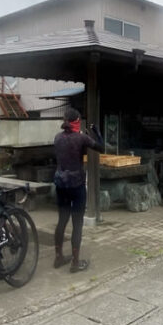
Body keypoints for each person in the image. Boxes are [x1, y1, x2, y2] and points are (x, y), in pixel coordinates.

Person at [53, 107, 103, 273]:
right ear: (76, 121)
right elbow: (101, 148)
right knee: (77, 222)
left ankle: (59, 257)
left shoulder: (57, 138)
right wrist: (95, 131)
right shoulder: (81, 138)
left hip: (60, 183)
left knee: (62, 220)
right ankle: (75, 262)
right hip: (77, 184)